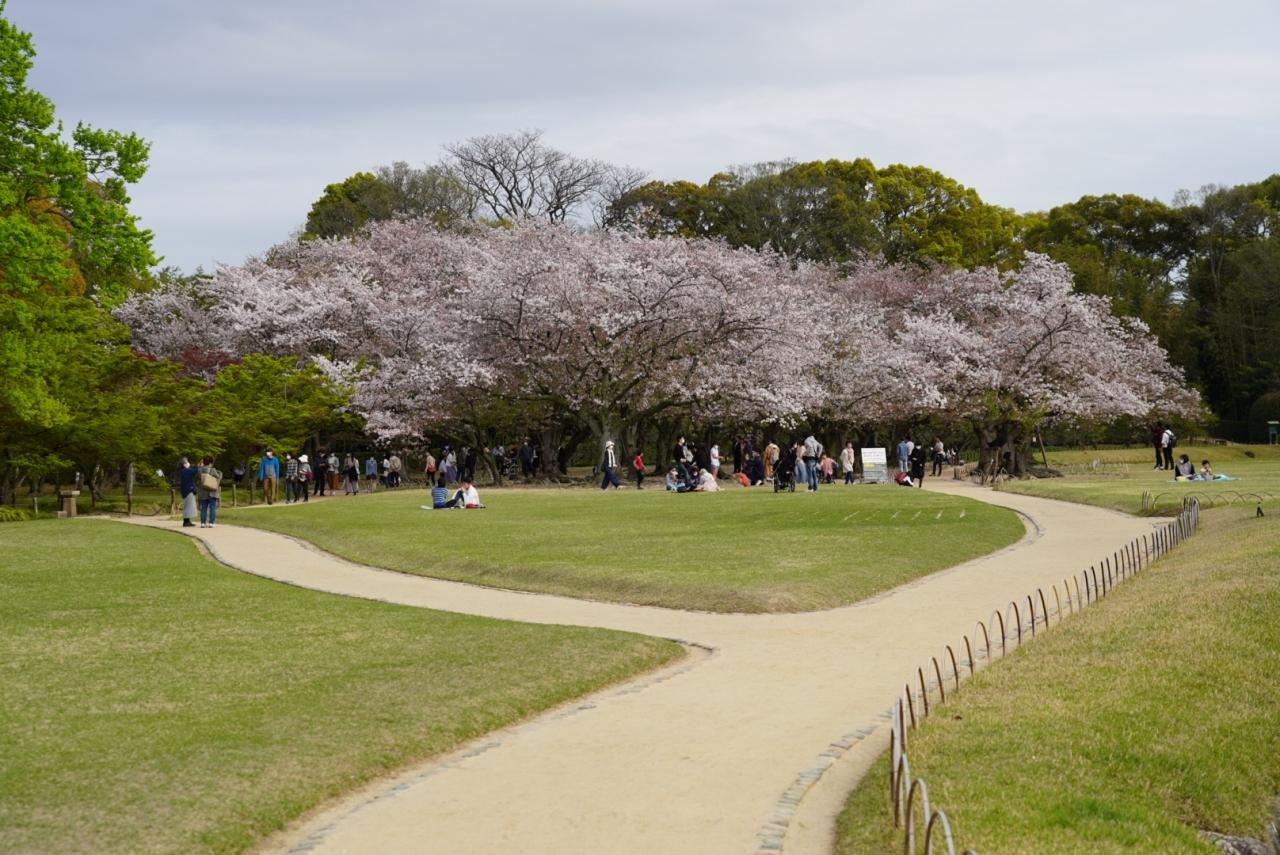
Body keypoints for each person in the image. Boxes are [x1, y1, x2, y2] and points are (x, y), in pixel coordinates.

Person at [196, 456, 221, 527]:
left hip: (203, 492)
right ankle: (211, 523)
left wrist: (199, 466)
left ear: (203, 462)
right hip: (212, 492)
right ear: (210, 463)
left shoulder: (199, 471)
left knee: (203, 508)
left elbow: (197, 479)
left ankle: (203, 523)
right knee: (212, 508)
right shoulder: (213, 470)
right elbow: (218, 477)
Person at [178, 457, 198, 527]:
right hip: (188, 491)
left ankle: (187, 521)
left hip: (185, 491)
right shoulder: (186, 471)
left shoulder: (183, 471)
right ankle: (186, 522)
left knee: (187, 506)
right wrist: (198, 466)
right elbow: (195, 471)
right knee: (188, 507)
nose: (188, 463)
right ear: (184, 464)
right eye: (187, 462)